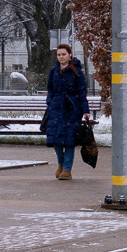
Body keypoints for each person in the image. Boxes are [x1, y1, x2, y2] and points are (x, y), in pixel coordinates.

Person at [45, 44, 91, 180]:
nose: (61, 57)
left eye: (63, 54)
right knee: (55, 139)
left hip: (72, 108)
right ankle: (60, 163)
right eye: (59, 54)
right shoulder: (53, 71)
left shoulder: (77, 72)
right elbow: (50, 89)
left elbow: (82, 92)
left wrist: (85, 110)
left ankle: (67, 169)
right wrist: (50, 102)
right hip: (56, 107)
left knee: (69, 140)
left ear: (69, 55)